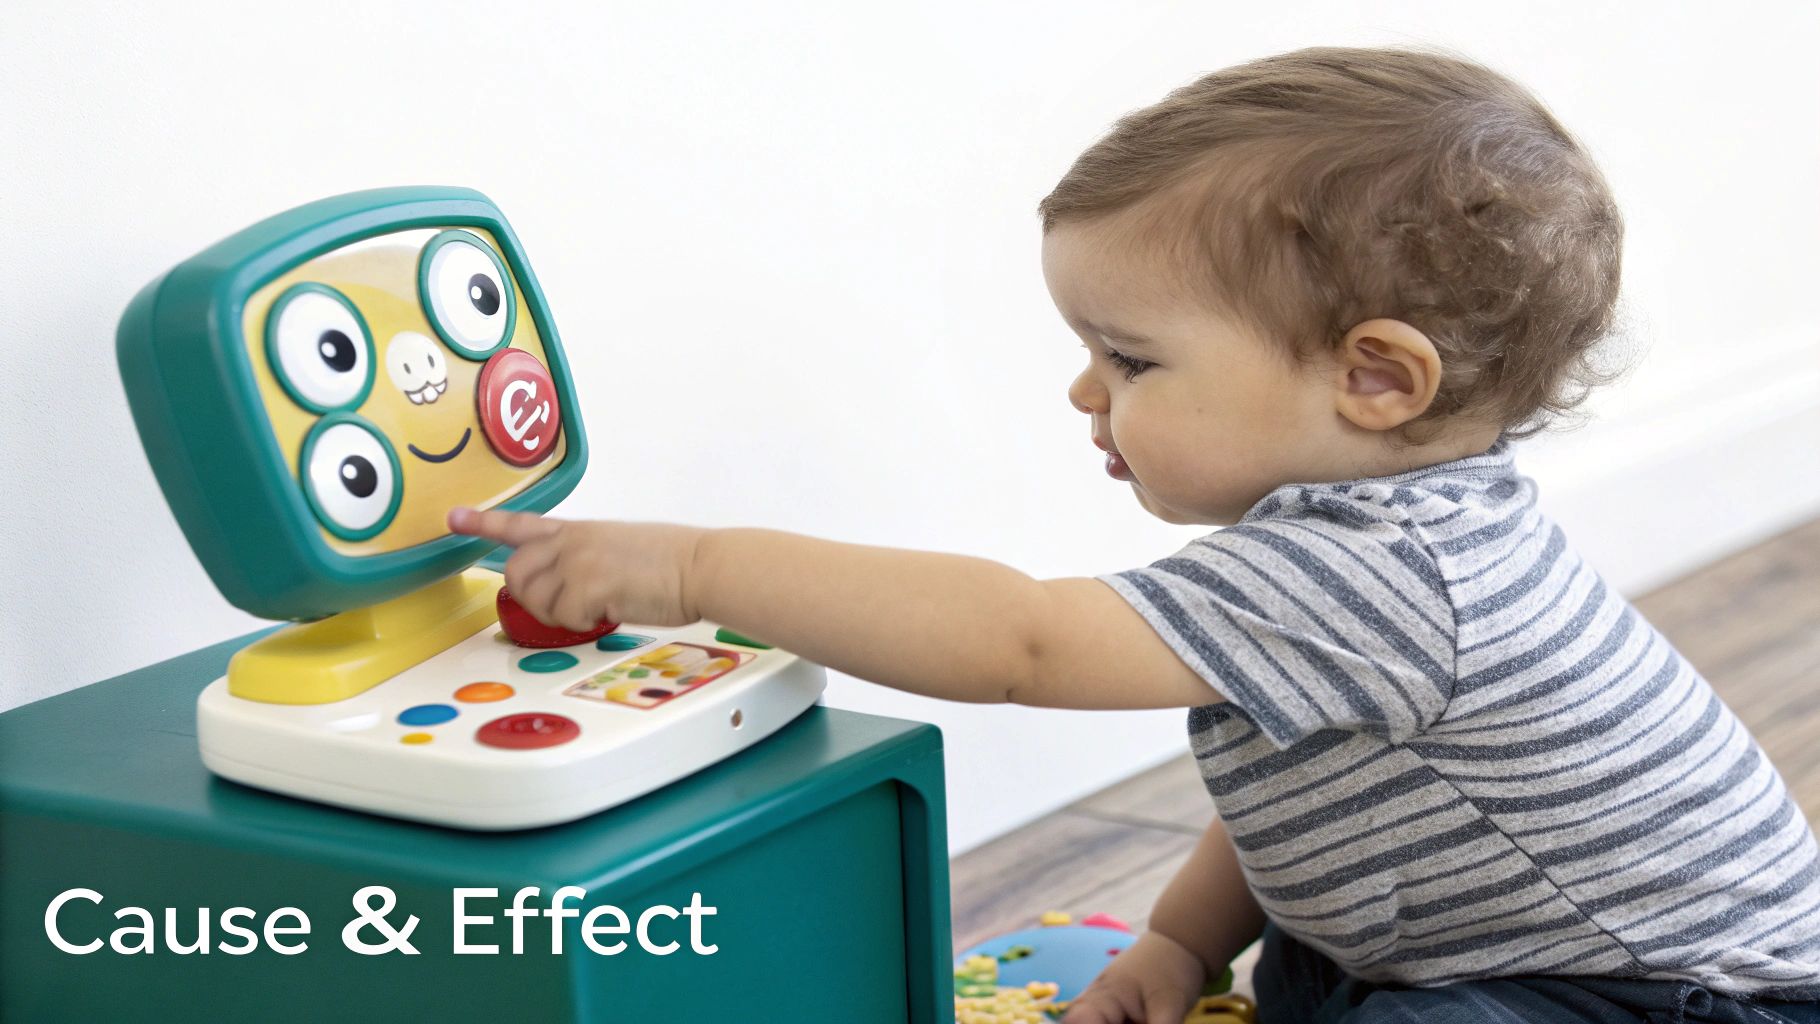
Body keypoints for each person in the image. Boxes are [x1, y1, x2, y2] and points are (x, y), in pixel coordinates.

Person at [450, 46, 1820, 1024]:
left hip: (1683, 996)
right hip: (1495, 950)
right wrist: (1178, 943)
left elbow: (1020, 643)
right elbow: (1309, 801)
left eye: (1131, 358)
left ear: (1376, 380)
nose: (1085, 392)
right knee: (1314, 978)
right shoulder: (1379, 541)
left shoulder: (1379, 571)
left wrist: (694, 570)